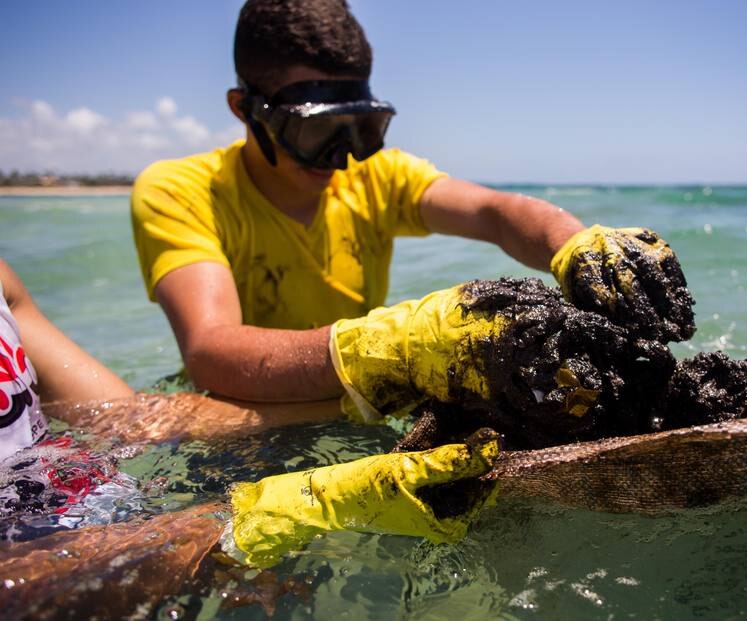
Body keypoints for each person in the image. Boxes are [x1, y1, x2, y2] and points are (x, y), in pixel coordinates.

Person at [130, 0, 684, 419]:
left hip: (358, 404)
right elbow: (209, 349)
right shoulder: (182, 189)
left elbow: (494, 211)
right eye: (318, 130)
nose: (342, 156)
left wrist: (575, 246)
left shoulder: (377, 175)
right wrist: (393, 347)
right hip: (238, 418)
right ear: (244, 109)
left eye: (361, 129)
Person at [0, 257, 501, 617]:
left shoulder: (5, 283)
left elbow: (133, 422)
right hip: (90, 567)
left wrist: (368, 390)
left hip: (135, 517)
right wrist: (259, 524)